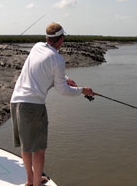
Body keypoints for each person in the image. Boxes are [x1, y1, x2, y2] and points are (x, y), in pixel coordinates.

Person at [10, 22, 94, 186]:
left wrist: (65, 78)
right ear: (61, 39)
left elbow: (50, 72)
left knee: (26, 146)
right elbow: (63, 90)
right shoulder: (58, 59)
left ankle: (30, 179)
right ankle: (35, 183)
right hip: (33, 106)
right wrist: (83, 90)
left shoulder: (37, 46)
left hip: (16, 101)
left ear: (47, 37)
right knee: (39, 149)